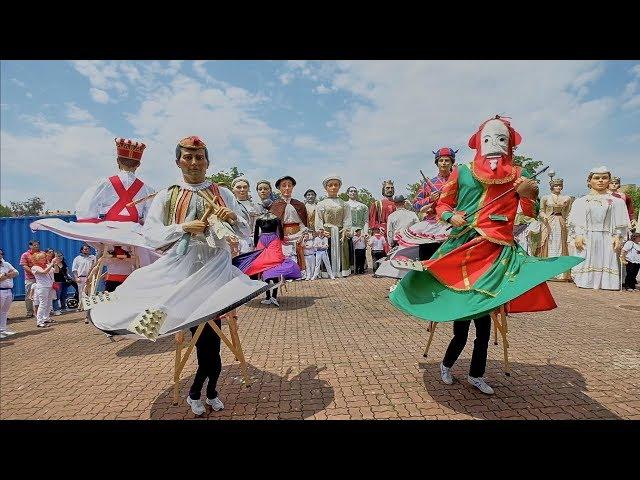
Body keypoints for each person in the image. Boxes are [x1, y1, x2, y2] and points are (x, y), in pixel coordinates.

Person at [390, 115, 582, 395]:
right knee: (462, 321)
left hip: (498, 253)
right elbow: (443, 203)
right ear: (479, 143)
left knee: (483, 324)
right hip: (463, 249)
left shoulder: (518, 176)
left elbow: (528, 214)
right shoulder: (463, 171)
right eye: (489, 139)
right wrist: (450, 215)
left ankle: (476, 375)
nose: (495, 145)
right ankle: (446, 365)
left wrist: (529, 195)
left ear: (510, 145)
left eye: (502, 139)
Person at [85, 135, 268, 416]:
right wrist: (183, 227)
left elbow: (245, 231)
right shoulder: (167, 195)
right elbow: (151, 235)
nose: (194, 163)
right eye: (188, 157)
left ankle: (204, 391)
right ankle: (202, 392)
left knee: (212, 343)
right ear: (178, 162)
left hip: (217, 273)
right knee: (205, 341)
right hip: (182, 274)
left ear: (208, 162)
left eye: (199, 158)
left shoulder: (224, 193)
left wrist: (231, 217)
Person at [567, 166, 631, 290]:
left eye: (604, 178)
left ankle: (607, 283)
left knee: (608, 258)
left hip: (607, 236)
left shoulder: (617, 202)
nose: (600, 180)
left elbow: (620, 222)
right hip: (588, 235)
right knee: (585, 257)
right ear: (589, 181)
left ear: (609, 180)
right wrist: (578, 235)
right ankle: (585, 281)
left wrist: (618, 236)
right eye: (597, 178)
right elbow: (576, 221)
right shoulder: (581, 201)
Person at [233, 199, 302, 306]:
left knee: (266, 268)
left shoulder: (260, 219)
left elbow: (256, 234)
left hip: (263, 241)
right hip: (273, 240)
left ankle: (270, 297)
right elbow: (281, 233)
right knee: (271, 267)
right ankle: (272, 297)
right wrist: (278, 241)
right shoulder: (276, 219)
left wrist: (257, 248)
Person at [75, 138, 155, 223]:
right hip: (134, 233)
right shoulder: (148, 190)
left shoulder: (104, 184)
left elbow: (85, 210)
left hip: (107, 233)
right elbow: (151, 219)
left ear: (117, 161)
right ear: (138, 164)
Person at [408, 147, 457, 260]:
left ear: (452, 163)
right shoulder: (428, 184)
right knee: (427, 259)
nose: (443, 163)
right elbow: (415, 205)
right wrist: (430, 199)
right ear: (437, 163)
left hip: (451, 224)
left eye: (447, 160)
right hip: (431, 226)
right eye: (441, 160)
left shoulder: (458, 182)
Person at [315, 175, 352, 277]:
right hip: (327, 231)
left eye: (336, 185)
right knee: (327, 251)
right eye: (330, 185)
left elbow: (347, 218)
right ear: (326, 188)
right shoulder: (321, 204)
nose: (333, 187)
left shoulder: (344, 204)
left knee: (342, 252)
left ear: (339, 187)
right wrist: (321, 230)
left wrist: (346, 229)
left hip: (340, 231)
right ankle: (327, 272)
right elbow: (319, 219)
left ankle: (341, 271)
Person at [270, 176, 309, 270]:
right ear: (279, 188)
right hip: (283, 236)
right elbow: (273, 225)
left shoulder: (299, 205)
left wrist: (303, 235)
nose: (287, 188)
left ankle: (301, 271)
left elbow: (303, 223)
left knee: (300, 254)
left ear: (292, 187)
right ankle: (287, 272)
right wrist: (280, 236)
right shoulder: (275, 205)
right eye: (284, 185)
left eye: (289, 185)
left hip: (298, 234)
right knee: (286, 255)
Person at [538, 177, 573, 280]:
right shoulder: (545, 197)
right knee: (548, 242)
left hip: (560, 220)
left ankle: (561, 273)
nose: (558, 187)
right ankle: (547, 270)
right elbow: (541, 210)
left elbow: (567, 211)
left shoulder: (566, 198)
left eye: (559, 185)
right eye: (556, 185)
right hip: (548, 221)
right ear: (552, 187)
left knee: (560, 243)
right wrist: (544, 216)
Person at [232, 177, 262, 254]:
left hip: (256, 241)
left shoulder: (256, 206)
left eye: (245, 187)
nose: (242, 189)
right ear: (233, 189)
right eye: (239, 187)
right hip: (238, 243)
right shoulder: (231, 206)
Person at [31, 251, 60, 328]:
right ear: (37, 260)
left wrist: (56, 264)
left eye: (44, 257)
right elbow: (44, 272)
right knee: (43, 304)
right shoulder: (35, 267)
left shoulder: (47, 265)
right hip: (42, 287)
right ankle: (39, 321)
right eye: (41, 258)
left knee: (48, 303)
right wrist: (51, 264)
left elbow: (56, 271)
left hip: (50, 286)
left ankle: (46, 318)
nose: (44, 259)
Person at [346, 186, 370, 272]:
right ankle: (350, 266)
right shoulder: (345, 205)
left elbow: (366, 221)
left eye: (355, 191)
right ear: (348, 193)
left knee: (361, 249)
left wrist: (366, 231)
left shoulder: (363, 206)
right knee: (349, 248)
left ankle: (361, 266)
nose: (353, 193)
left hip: (360, 229)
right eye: (351, 191)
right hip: (349, 229)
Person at [368, 180, 397, 249]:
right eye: (387, 188)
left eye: (392, 188)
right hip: (382, 234)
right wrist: (378, 227)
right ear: (383, 190)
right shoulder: (377, 204)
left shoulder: (398, 204)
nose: (390, 190)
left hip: (396, 233)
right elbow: (372, 221)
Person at [0, 248, 19, 338]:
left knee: (4, 311)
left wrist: (6, 275)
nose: (0, 255)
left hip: (8, 290)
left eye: (1, 254)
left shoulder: (6, 264)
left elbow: (16, 273)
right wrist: (9, 275)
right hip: (0, 290)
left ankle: (3, 329)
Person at [19, 240, 40, 318]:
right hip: (30, 278)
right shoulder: (25, 255)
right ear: (30, 246)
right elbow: (24, 266)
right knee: (29, 295)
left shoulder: (41, 254)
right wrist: (34, 272)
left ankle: (39, 311)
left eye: (37, 245)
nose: (36, 246)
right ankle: (30, 312)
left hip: (40, 278)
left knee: (40, 294)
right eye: (34, 245)